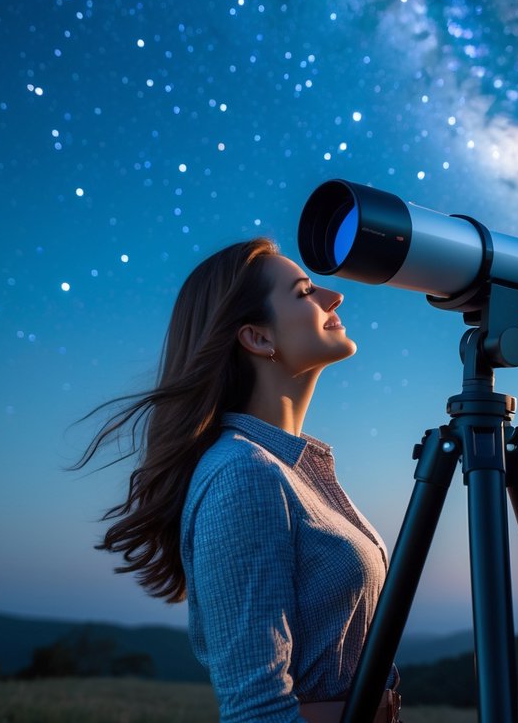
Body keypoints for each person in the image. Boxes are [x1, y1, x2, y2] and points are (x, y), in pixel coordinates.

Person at [77, 238, 400, 723]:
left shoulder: (294, 466)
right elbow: (257, 711)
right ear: (259, 339)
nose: (334, 297)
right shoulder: (245, 474)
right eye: (304, 291)